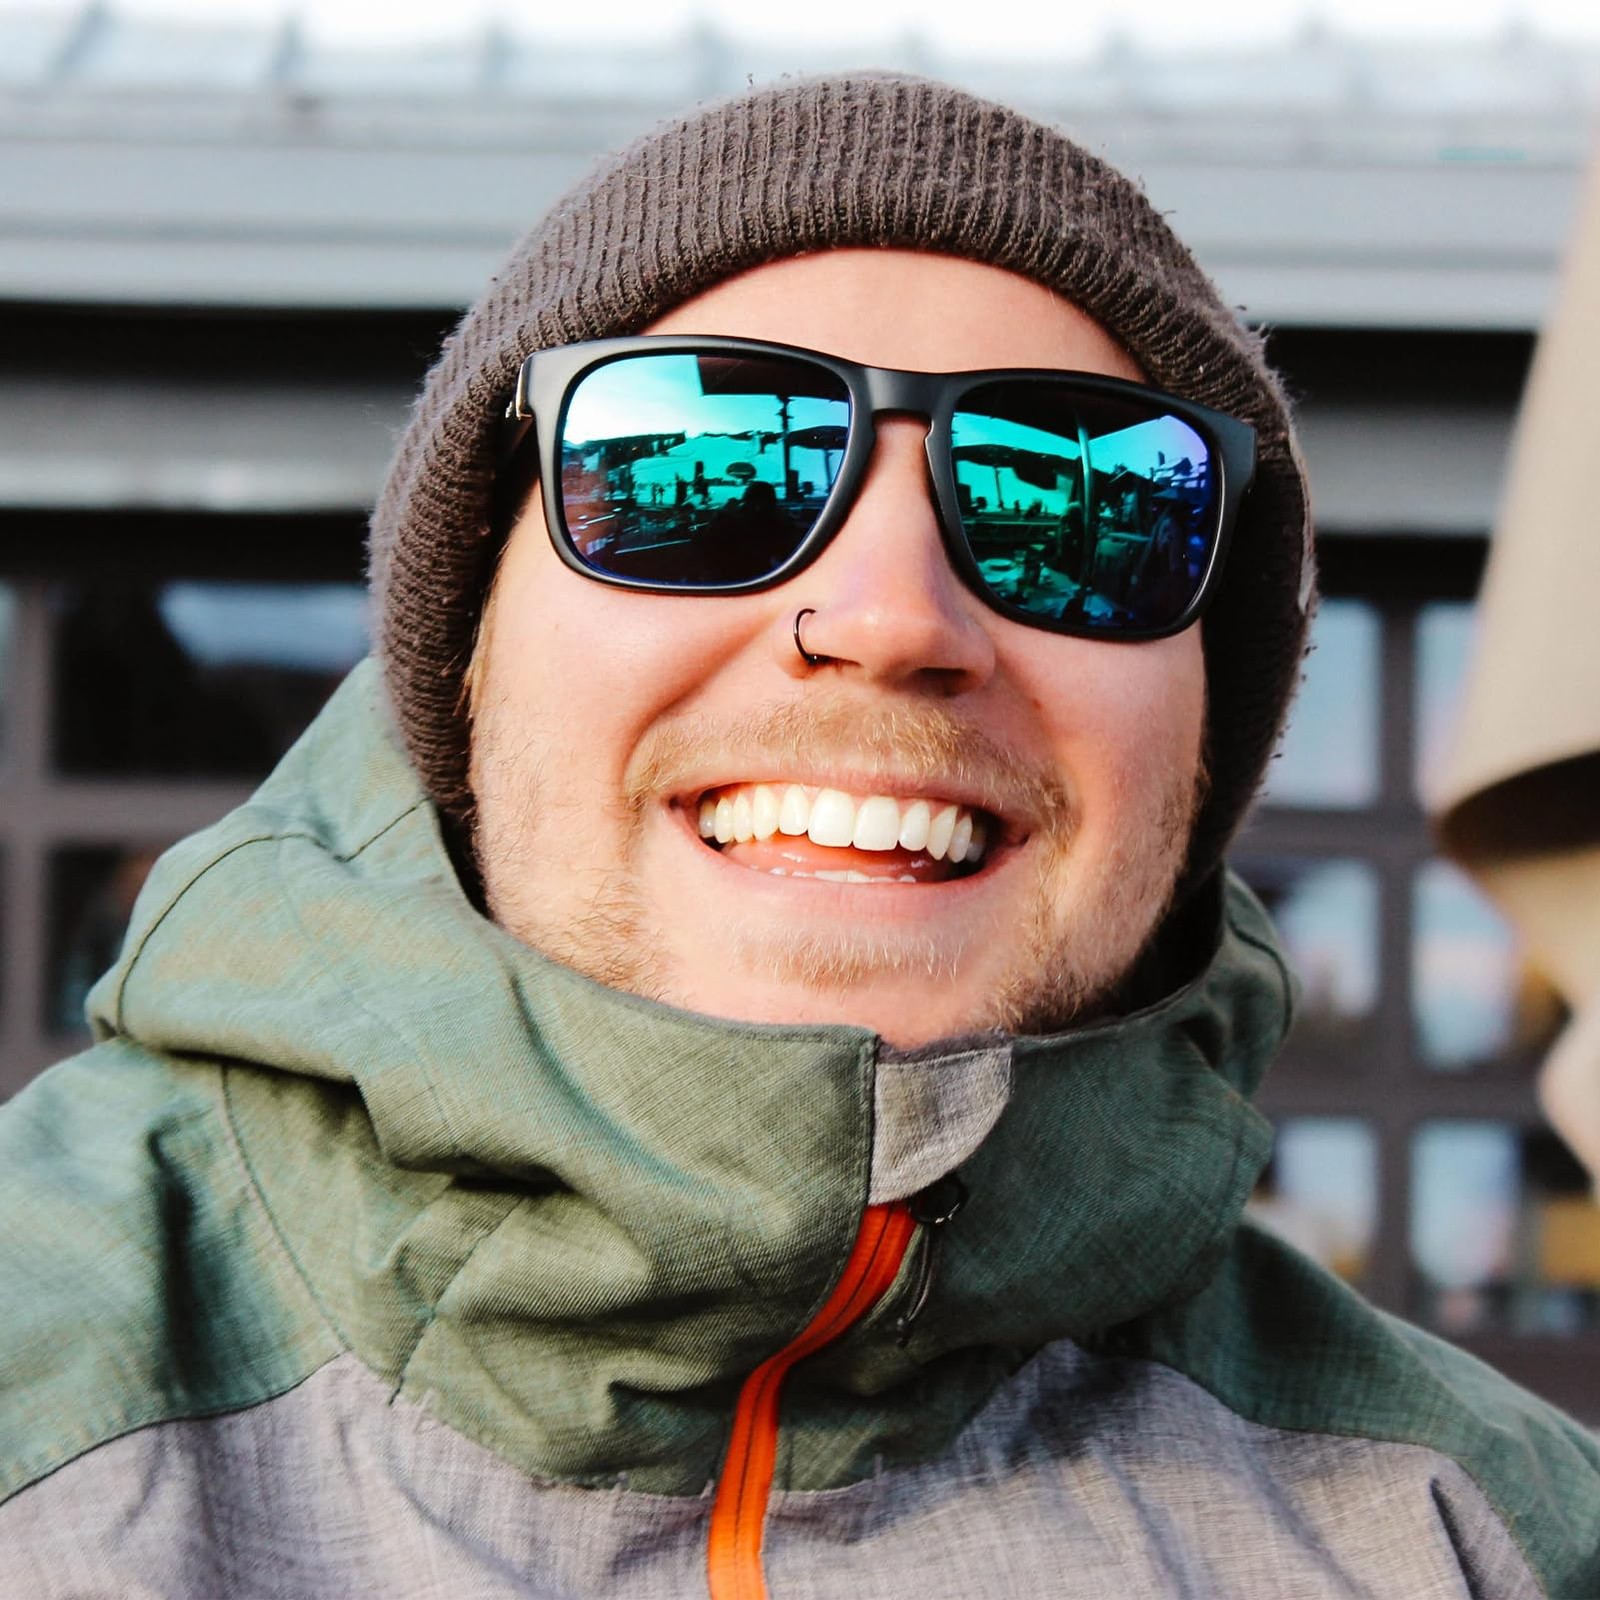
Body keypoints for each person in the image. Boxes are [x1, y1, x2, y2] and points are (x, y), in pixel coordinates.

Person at [1, 73, 1596, 1600]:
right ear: (466, 651)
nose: (894, 618)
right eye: (693, 472)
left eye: (1078, 505)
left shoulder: (1492, 1536)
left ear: (1200, 726)